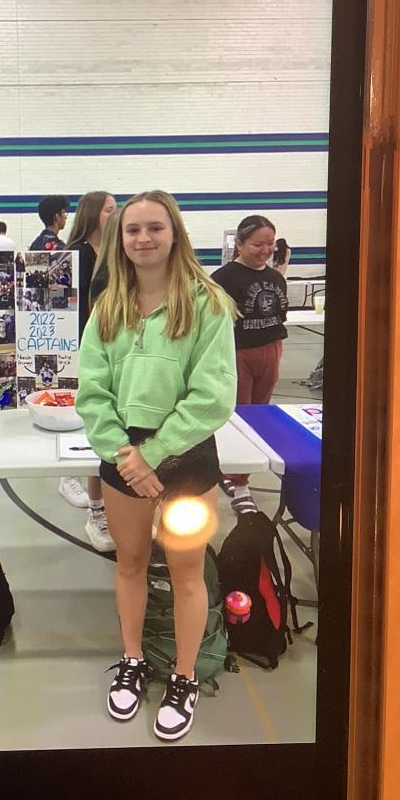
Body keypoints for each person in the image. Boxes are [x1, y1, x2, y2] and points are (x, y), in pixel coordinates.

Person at [76, 190, 237, 742]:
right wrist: (126, 454)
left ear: (175, 234)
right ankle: (132, 659)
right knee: (130, 563)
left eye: (154, 228)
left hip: (186, 458)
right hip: (122, 457)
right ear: (119, 240)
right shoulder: (108, 308)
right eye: (132, 230)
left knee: (186, 571)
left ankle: (184, 676)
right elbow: (92, 392)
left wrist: (153, 453)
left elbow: (213, 396)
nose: (143, 238)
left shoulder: (208, 304)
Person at [211, 215, 289, 512]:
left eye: (270, 243)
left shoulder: (276, 278)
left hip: (270, 349)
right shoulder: (223, 278)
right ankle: (239, 483)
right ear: (240, 244)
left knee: (259, 416)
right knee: (238, 416)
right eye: (258, 244)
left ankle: (239, 473)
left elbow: (279, 315)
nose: (265, 250)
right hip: (237, 353)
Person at [56, 191, 119, 544]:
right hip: (81, 345)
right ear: (93, 214)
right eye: (110, 209)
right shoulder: (78, 254)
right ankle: (71, 476)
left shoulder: (115, 251)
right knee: (83, 414)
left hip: (110, 347)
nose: (116, 214)